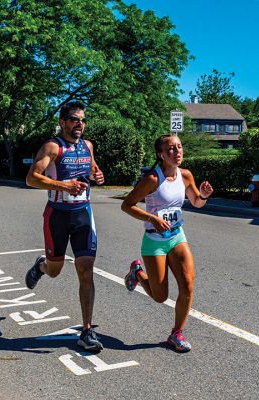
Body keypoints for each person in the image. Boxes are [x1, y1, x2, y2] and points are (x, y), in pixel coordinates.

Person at [121, 134, 213, 352]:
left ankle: (176, 333)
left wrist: (204, 195)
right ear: (160, 154)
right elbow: (127, 205)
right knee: (160, 297)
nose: (177, 151)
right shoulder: (152, 179)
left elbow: (197, 203)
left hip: (176, 236)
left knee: (188, 285)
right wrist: (152, 218)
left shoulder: (186, 175)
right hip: (154, 241)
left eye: (179, 147)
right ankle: (137, 273)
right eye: (170, 149)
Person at [25, 101, 105, 351]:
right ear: (62, 122)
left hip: (83, 213)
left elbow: (92, 169)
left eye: (82, 119)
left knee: (86, 270)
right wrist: (63, 185)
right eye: (74, 119)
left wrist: (97, 175)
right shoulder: (52, 147)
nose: (79, 123)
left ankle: (87, 330)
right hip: (57, 216)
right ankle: (41, 265)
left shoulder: (87, 145)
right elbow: (31, 179)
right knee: (55, 270)